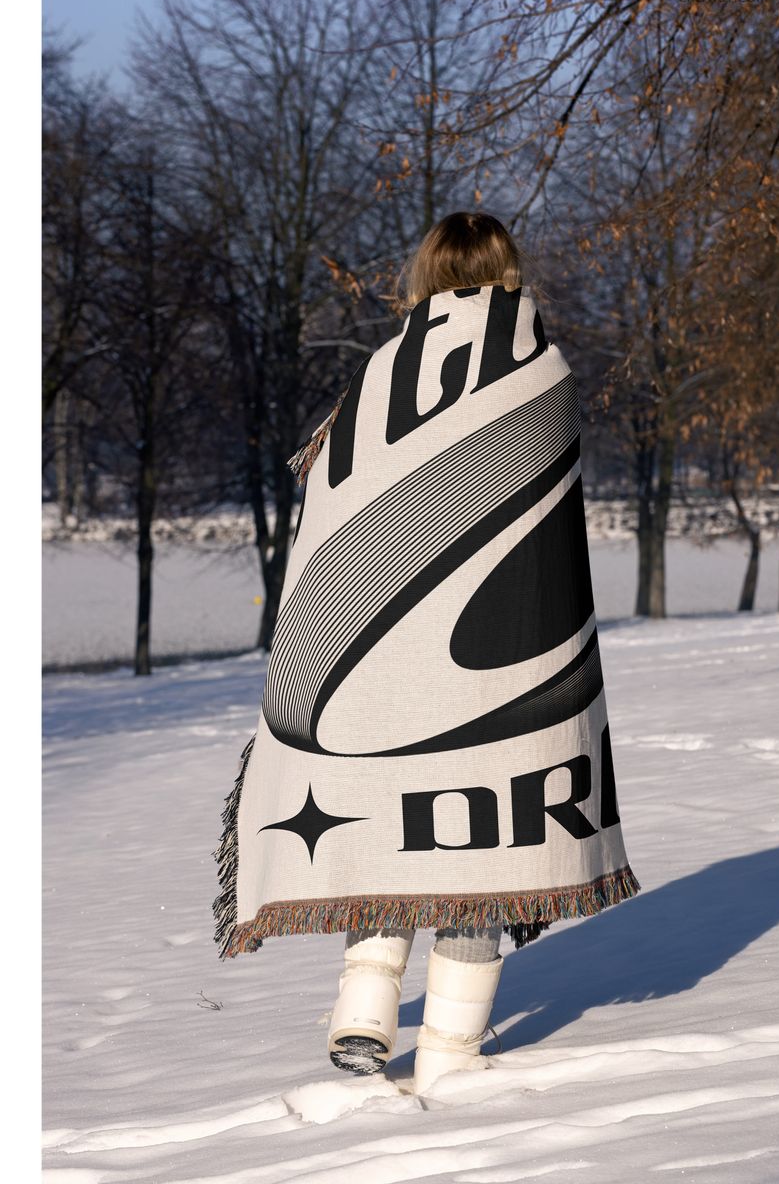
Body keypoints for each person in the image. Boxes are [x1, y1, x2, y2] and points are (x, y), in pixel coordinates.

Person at [210, 212, 641, 1096]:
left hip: (375, 680)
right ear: (508, 270)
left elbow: (331, 518)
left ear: (425, 274)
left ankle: (364, 1009)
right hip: (507, 669)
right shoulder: (541, 370)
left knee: (387, 832)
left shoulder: (377, 379)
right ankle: (449, 1048)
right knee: (485, 851)